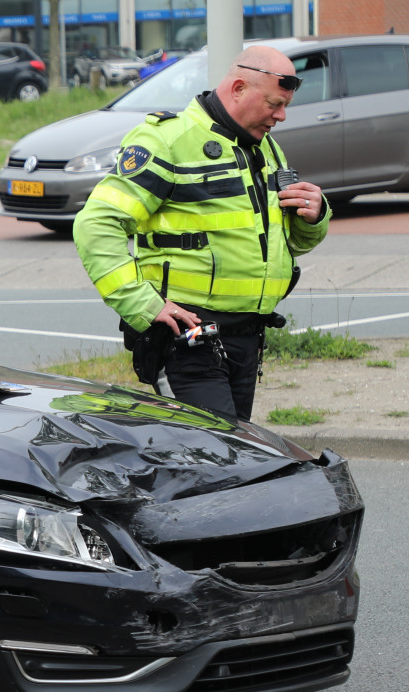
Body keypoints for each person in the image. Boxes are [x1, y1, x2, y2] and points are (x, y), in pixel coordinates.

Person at [73, 45, 331, 422]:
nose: (282, 116)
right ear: (239, 88)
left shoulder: (266, 148)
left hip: (246, 338)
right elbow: (96, 225)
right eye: (274, 104)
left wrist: (315, 217)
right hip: (189, 339)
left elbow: (285, 242)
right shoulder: (167, 141)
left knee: (233, 459)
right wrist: (145, 306)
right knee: (214, 459)